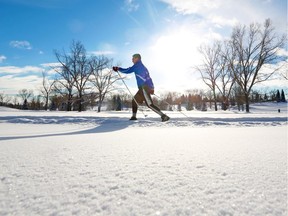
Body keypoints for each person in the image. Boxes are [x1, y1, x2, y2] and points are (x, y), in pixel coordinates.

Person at [113, 54, 170, 122]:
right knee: (134, 101)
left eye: (133, 58)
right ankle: (134, 116)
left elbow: (128, 70)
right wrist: (152, 88)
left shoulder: (137, 66)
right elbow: (149, 78)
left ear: (137, 58)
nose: (132, 60)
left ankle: (164, 116)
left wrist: (118, 69)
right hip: (142, 89)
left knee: (150, 104)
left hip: (144, 88)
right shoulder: (143, 67)